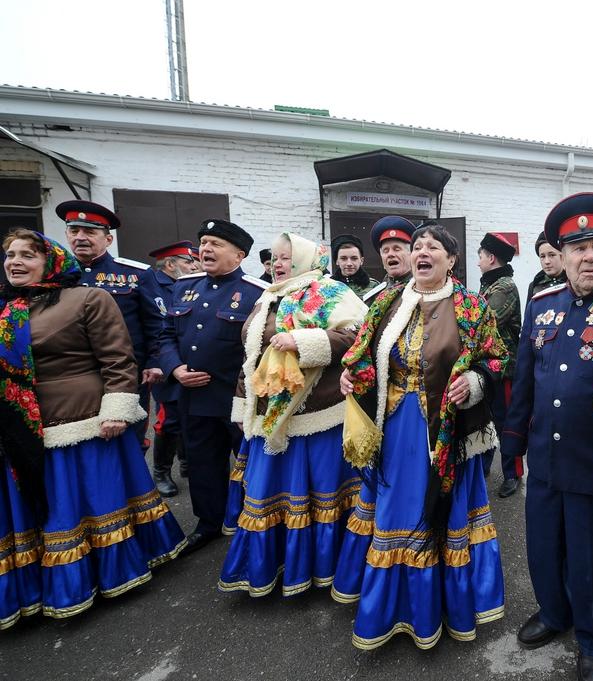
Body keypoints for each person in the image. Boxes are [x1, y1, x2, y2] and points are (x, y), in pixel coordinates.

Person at [331, 222, 507, 650]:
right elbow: (359, 352)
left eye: (433, 247)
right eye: (417, 247)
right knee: (394, 510)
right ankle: (392, 609)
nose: (421, 252)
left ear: (451, 260)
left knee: (444, 510)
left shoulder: (471, 306)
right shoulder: (389, 300)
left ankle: (446, 606)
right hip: (394, 427)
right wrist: (350, 376)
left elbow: (498, 358)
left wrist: (475, 382)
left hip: (445, 430)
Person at [0, 229, 185, 628]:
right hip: (17, 429)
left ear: (51, 262)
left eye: (27, 256)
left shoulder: (87, 298)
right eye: (10, 255)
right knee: (38, 508)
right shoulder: (5, 310)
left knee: (75, 507)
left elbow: (119, 360)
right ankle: (39, 585)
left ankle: (97, 577)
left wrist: (117, 409)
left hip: (78, 422)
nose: (15, 262)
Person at [501, 193, 593, 681]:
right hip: (545, 456)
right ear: (562, 255)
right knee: (543, 544)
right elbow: (526, 381)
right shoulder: (542, 305)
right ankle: (555, 613)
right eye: (578, 248)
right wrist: (513, 445)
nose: (589, 256)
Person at [218, 232, 367, 597]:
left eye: (286, 257)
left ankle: (323, 568)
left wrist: (304, 342)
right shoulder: (268, 297)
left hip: (317, 416)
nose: (278, 264)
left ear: (304, 259)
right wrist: (243, 403)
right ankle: (275, 566)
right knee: (271, 495)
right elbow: (251, 358)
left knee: (317, 496)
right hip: (270, 418)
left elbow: (358, 337)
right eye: (274, 258)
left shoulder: (331, 292)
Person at [157, 219, 268, 555]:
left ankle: (256, 521)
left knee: (250, 464)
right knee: (204, 464)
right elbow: (165, 335)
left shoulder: (257, 292)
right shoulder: (184, 287)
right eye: (203, 243)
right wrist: (174, 368)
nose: (205, 249)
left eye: (215, 244)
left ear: (239, 254)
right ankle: (209, 523)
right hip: (194, 397)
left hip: (238, 400)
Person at [58, 200, 162, 445]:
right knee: (81, 438)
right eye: (74, 231)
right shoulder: (56, 275)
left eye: (89, 232)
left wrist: (154, 361)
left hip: (125, 373)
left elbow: (156, 322)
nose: (80, 237)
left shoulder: (135, 274)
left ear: (108, 240)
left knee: (128, 438)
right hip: (72, 375)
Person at [144, 240, 200, 496]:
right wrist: (156, 363)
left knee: (191, 415)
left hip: (190, 362)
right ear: (170, 264)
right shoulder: (150, 286)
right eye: (188, 261)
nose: (194, 265)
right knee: (169, 421)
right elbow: (149, 329)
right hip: (165, 365)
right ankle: (161, 471)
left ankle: (187, 461)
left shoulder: (191, 285)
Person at [477, 232, 523, 497]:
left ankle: (512, 474)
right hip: (487, 365)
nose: (479, 261)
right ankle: (484, 465)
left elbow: (485, 322)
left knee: (506, 423)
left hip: (503, 368)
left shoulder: (503, 286)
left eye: (481, 256)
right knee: (486, 420)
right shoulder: (489, 285)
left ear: (491, 257)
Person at [359, 215, 415, 302]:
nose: (390, 254)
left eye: (397, 249)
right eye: (386, 251)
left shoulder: (423, 290)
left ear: (411, 254)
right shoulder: (374, 297)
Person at [331, 234, 380, 298]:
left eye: (354, 258)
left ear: (361, 260)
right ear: (337, 261)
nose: (349, 263)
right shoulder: (328, 286)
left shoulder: (374, 287)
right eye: (343, 258)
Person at [526, 231, 566, 299]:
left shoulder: (574, 281)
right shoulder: (534, 286)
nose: (546, 261)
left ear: (562, 256)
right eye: (542, 256)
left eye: (552, 255)